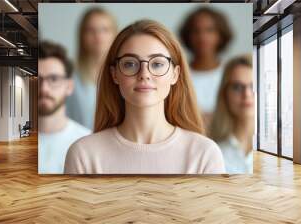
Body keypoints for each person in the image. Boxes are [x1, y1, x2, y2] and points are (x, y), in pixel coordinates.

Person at [64, 20, 225, 174]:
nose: (144, 74)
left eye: (157, 64)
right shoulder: (83, 154)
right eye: (130, 64)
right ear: (114, 75)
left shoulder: (204, 154)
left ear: (175, 74)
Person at [38, 41, 91, 174]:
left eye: (54, 79)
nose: (44, 88)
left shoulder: (88, 143)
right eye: (38, 79)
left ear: (69, 86)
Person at [179, 7, 233, 133]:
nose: (202, 37)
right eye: (196, 31)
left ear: (220, 35)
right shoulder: (177, 73)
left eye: (210, 30)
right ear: (188, 36)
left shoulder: (232, 72)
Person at [66, 7, 117, 130]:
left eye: (105, 30)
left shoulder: (125, 73)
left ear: (115, 33)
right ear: (82, 35)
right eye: (91, 30)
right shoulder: (69, 74)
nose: (98, 36)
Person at [210, 55, 254, 174]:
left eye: (253, 86)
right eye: (237, 87)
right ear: (225, 94)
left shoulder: (281, 150)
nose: (247, 94)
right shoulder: (213, 152)